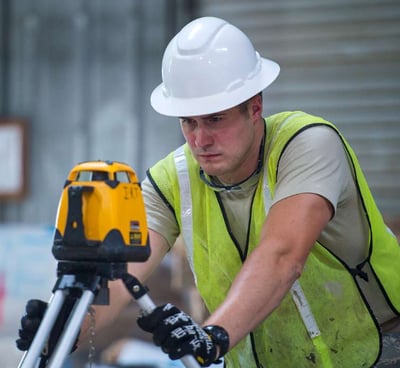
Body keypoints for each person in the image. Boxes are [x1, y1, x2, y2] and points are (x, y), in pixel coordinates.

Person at [17, 16, 400, 368]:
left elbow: (282, 255)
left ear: (254, 107)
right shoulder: (173, 178)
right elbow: (117, 276)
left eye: (215, 119)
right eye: (189, 122)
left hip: (378, 349)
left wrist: (211, 337)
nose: (200, 139)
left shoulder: (308, 143)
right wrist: (66, 328)